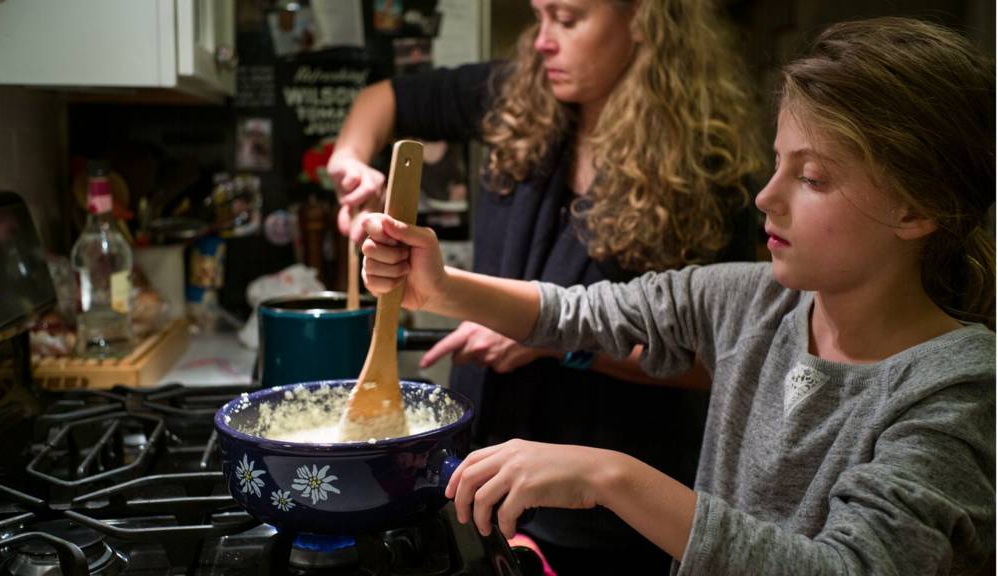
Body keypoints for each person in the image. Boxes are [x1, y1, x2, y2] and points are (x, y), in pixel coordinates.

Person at [357, 17, 996, 575]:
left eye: (811, 177)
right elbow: (577, 313)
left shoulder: (959, 388)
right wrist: (438, 285)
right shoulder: (751, 302)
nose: (766, 197)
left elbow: (847, 566)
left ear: (916, 209)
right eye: (776, 164)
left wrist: (609, 476)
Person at [328, 1, 763, 571]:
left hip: (606, 506)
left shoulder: (707, 170)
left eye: (569, 18)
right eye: (541, 16)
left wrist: (557, 343)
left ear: (643, 20)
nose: (542, 42)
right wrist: (351, 162)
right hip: (478, 468)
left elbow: (714, 365)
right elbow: (382, 100)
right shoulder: (520, 92)